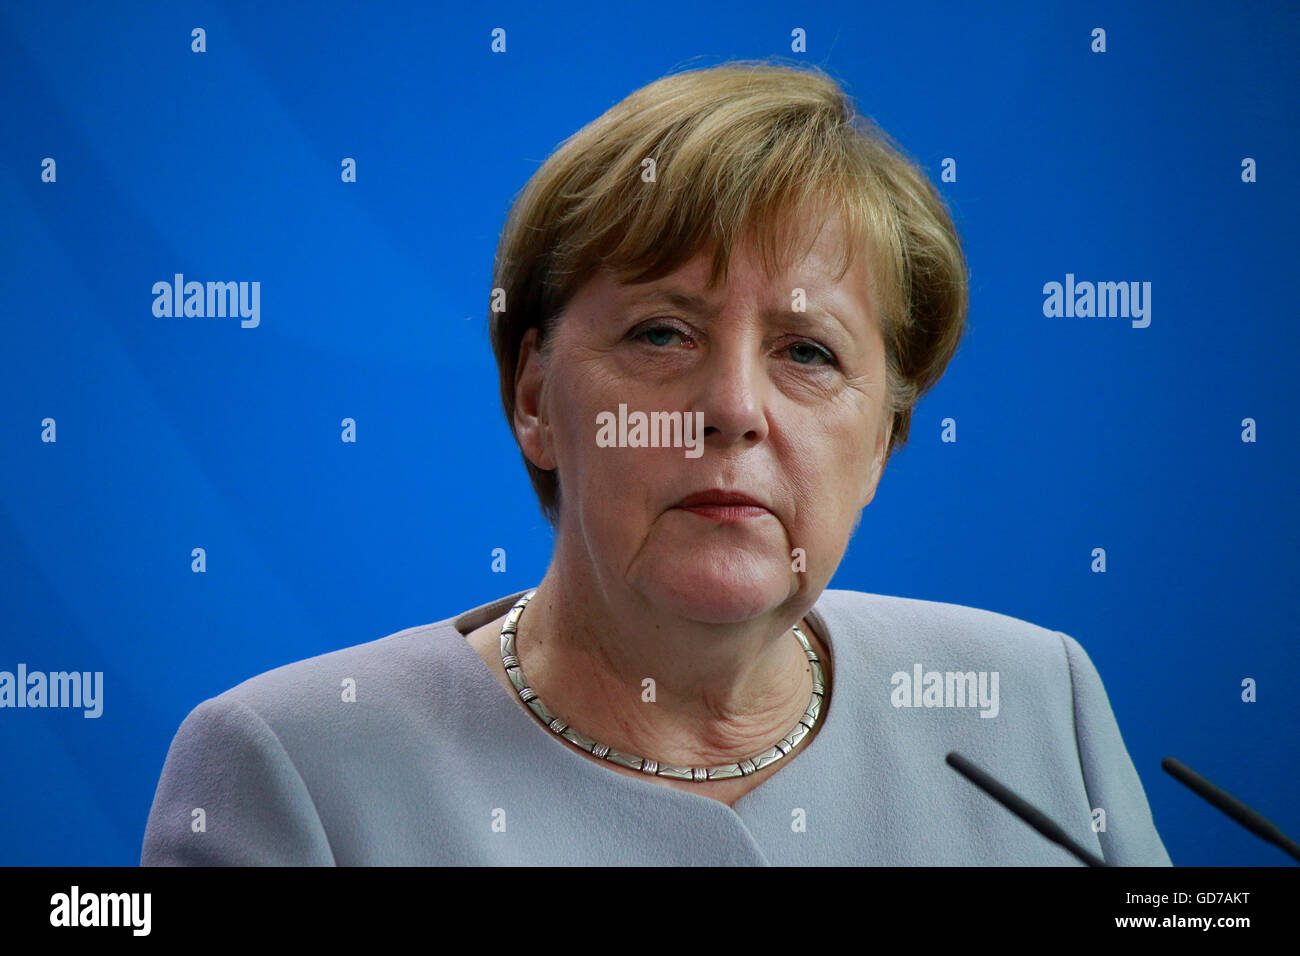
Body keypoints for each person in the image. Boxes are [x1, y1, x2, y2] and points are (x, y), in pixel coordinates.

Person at [141, 59, 1172, 866]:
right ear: (535, 400)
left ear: (883, 443)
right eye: (660, 335)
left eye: (807, 352)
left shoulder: (1036, 698)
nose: (731, 408)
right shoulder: (293, 766)